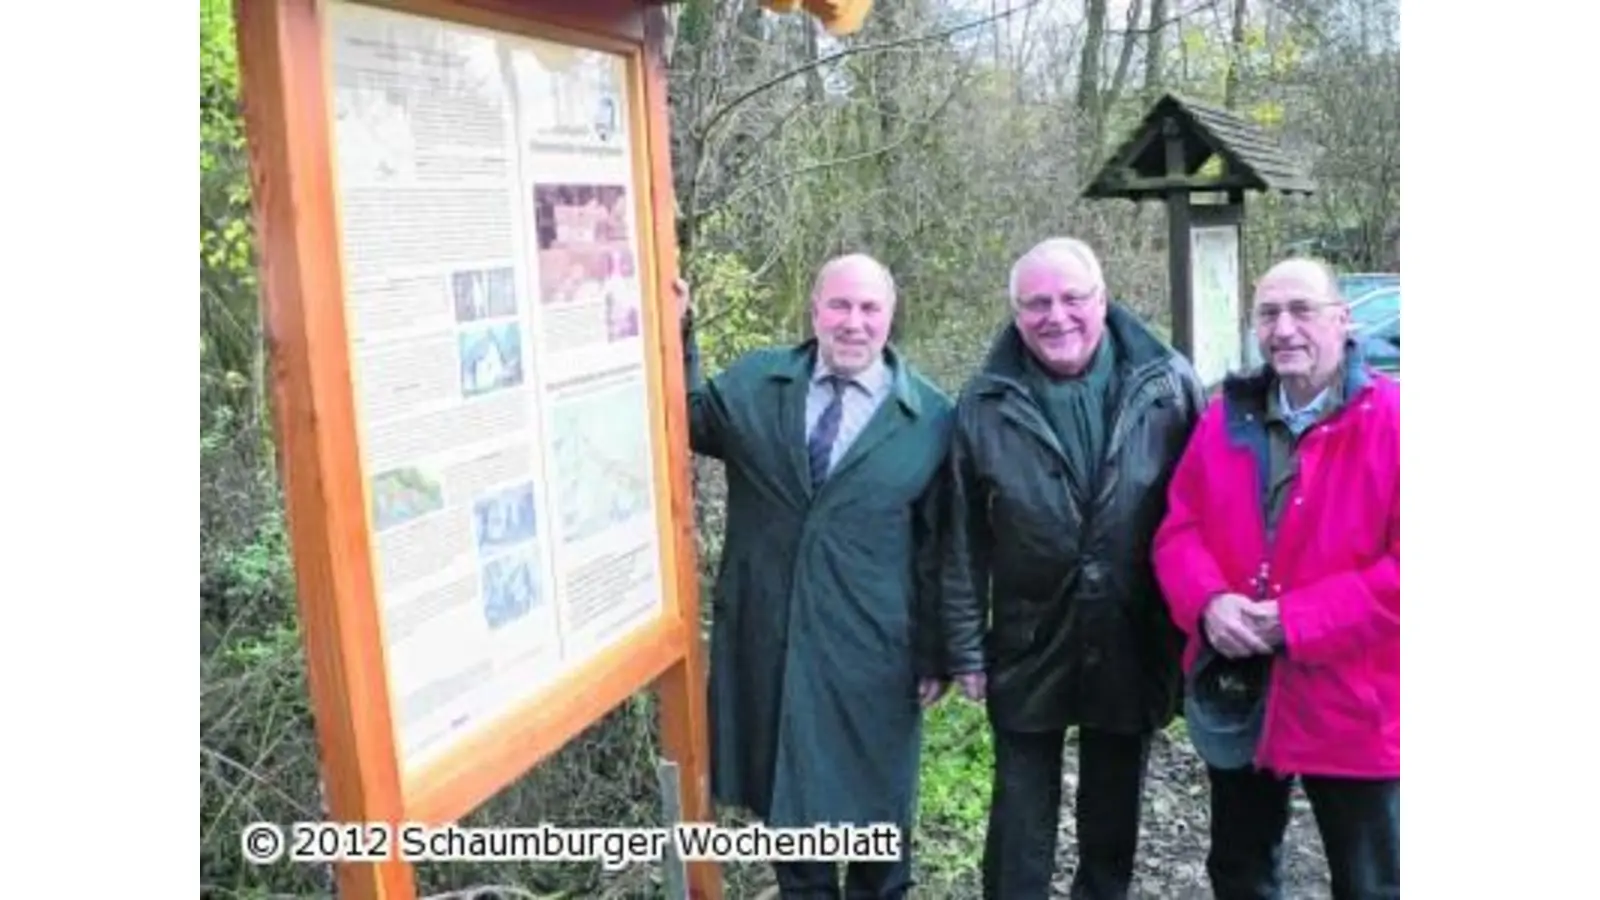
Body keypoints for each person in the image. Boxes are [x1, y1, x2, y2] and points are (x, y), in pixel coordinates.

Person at [674, 253, 955, 900]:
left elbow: (945, 547)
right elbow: (688, 415)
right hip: (774, 646)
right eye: (840, 305)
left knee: (879, 832)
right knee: (795, 827)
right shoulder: (758, 386)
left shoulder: (932, 422)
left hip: (877, 657)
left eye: (869, 308)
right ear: (815, 310)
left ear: (889, 317)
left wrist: (943, 646)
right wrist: (679, 329)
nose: (853, 323)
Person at [939, 237, 1206, 900]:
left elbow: (1204, 512)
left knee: (1113, 807)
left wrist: (1195, 629)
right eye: (1036, 303)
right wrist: (965, 645)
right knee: (1020, 811)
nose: (1056, 316)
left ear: (1103, 299)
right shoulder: (983, 403)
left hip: (1131, 628)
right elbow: (960, 538)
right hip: (1030, 636)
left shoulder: (1168, 384)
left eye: (1071, 298)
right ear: (1015, 314)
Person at [1150, 257, 1400, 900]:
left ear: (1343, 322)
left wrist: (1295, 621)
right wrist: (1207, 602)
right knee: (1238, 871)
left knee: (1370, 879)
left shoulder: (1395, 424)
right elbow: (1179, 530)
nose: (1283, 328)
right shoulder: (1223, 418)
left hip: (1354, 699)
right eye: (1268, 314)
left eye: (1301, 311)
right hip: (1243, 693)